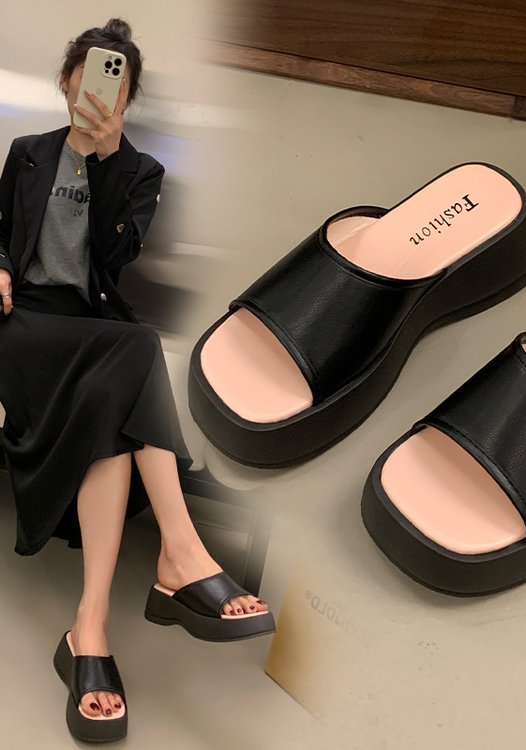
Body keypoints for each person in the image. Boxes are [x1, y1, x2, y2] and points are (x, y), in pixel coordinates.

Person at [0, 19, 271, 743]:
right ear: (67, 81)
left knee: (116, 404)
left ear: (128, 97)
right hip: (21, 325)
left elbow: (117, 256)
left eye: (116, 84)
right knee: (139, 348)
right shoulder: (26, 154)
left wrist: (109, 158)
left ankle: (88, 630)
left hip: (88, 331)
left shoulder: (141, 171)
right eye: (87, 75)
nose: (98, 92)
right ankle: (180, 555)